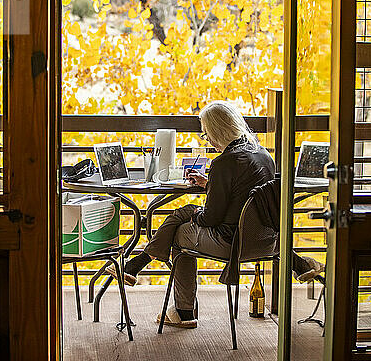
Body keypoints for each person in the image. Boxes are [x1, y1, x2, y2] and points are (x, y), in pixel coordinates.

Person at [108, 100, 275, 328]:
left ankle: (183, 311)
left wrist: (195, 214)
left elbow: (210, 219)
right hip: (266, 241)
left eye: (206, 134)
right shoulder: (264, 155)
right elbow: (244, 197)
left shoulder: (223, 163)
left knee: (179, 231)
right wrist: (210, 185)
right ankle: (136, 267)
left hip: (232, 243)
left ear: (218, 131)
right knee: (183, 217)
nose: (207, 140)